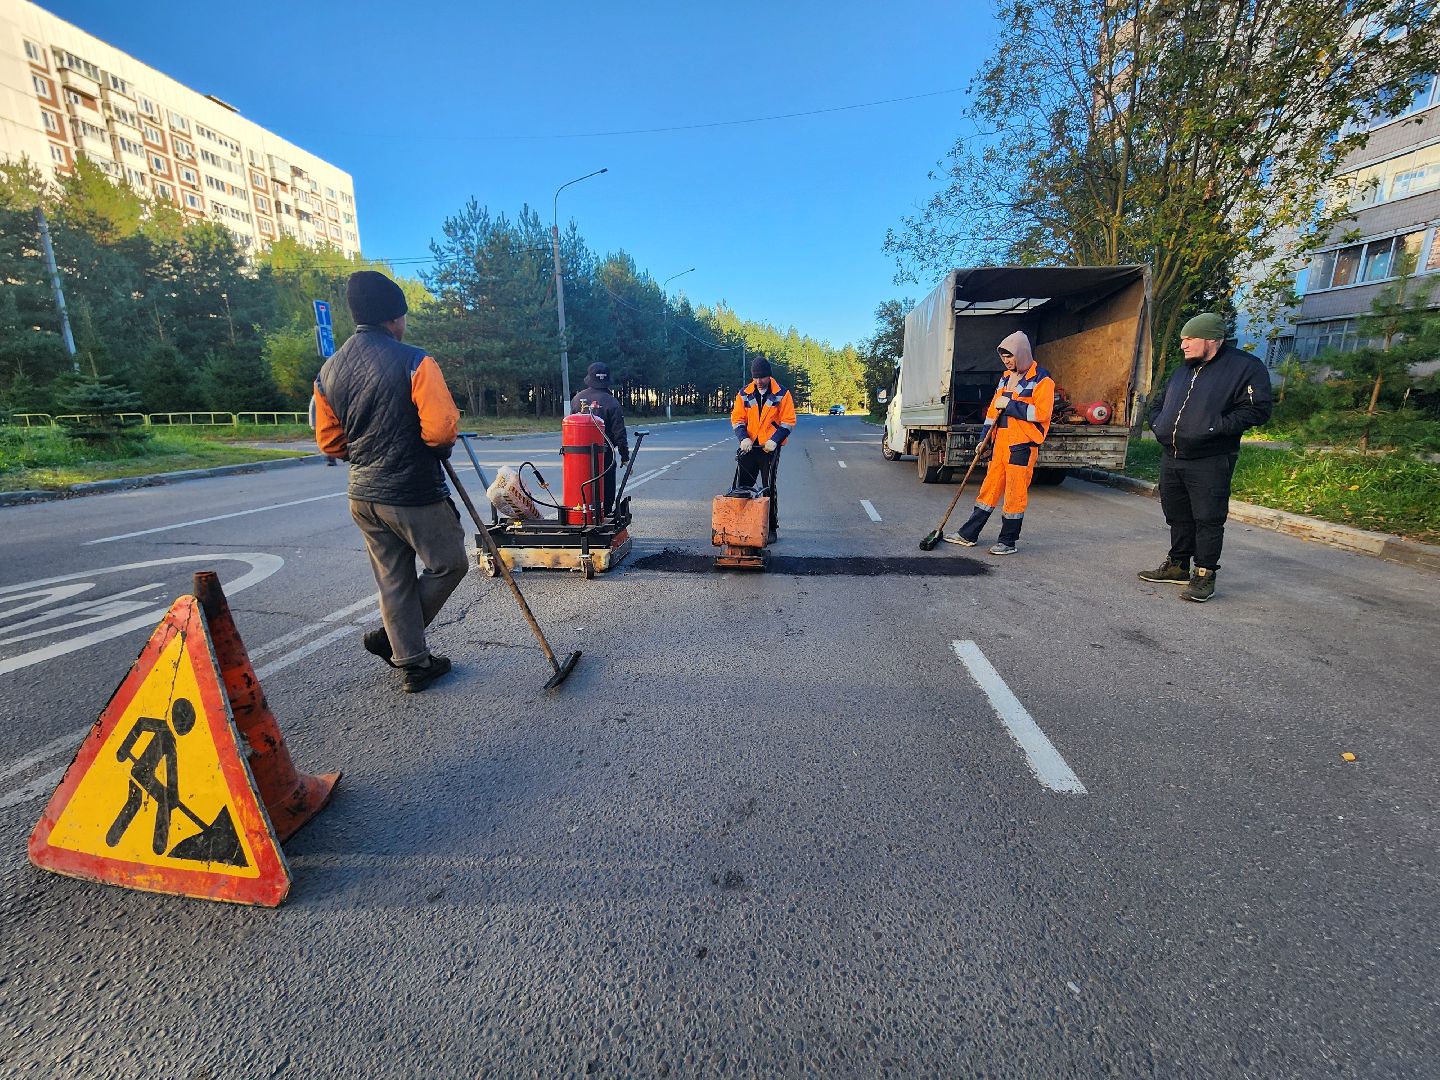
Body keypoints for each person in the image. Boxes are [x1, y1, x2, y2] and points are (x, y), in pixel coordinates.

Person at [312, 270, 467, 693]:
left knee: (393, 577)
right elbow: (439, 432)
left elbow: (330, 442)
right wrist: (435, 447)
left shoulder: (328, 371)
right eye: (403, 315)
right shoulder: (416, 360)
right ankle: (394, 639)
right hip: (412, 491)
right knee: (450, 563)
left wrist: (364, 451)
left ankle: (414, 661)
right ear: (393, 318)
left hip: (363, 495)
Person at [1138, 312, 1273, 603]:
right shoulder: (1184, 369)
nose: (1183, 345)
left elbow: (1257, 410)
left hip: (1211, 457)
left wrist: (1212, 429)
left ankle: (1204, 573)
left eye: (1189, 340)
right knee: (1177, 514)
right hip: (1173, 454)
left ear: (1212, 339)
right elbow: (1160, 402)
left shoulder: (1245, 367)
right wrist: (1159, 425)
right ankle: (1177, 565)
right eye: (1182, 339)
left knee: (1208, 518)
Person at [945, 331, 1056, 555]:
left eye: (1010, 356)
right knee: (989, 488)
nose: (1006, 361)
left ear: (1022, 354)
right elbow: (992, 413)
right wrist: (984, 439)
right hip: (1001, 443)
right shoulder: (1005, 378)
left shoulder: (1042, 380)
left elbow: (1042, 413)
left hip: (1022, 445)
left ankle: (1007, 541)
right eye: (1004, 357)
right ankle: (969, 534)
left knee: (1015, 494)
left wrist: (1011, 405)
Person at [730, 358, 797, 531]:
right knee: (742, 487)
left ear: (769, 376)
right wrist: (743, 438)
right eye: (755, 378)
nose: (759, 381)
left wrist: (775, 440)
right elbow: (737, 419)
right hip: (750, 447)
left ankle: (770, 528)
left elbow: (788, 421)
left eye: (762, 377)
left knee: (768, 489)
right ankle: (741, 527)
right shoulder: (744, 393)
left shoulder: (782, 393)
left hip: (769, 448)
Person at [569, 361, 629, 516]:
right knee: (606, 487)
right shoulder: (611, 402)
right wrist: (625, 456)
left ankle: (581, 515)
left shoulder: (577, 399)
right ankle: (604, 516)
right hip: (605, 454)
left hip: (578, 455)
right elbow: (619, 432)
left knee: (581, 485)